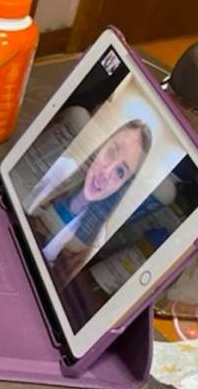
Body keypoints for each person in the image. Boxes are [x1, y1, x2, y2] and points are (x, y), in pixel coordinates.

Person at [24, 118, 154, 284]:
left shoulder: (97, 238)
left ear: (122, 185)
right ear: (100, 147)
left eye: (120, 171)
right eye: (111, 152)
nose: (107, 172)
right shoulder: (60, 168)